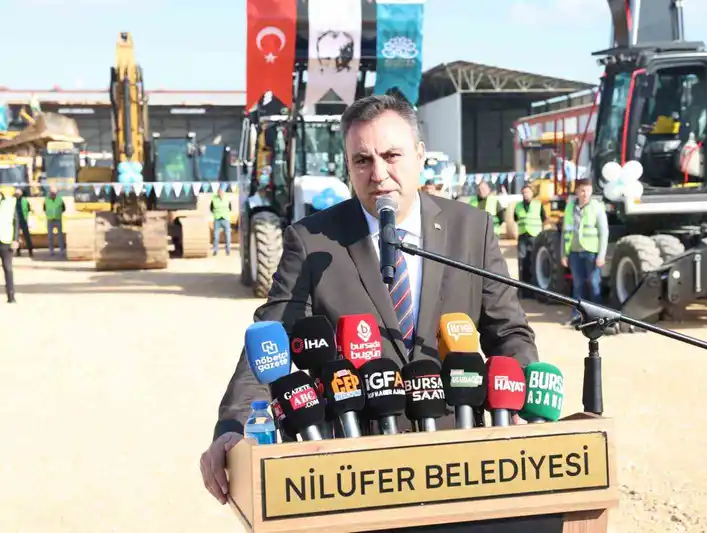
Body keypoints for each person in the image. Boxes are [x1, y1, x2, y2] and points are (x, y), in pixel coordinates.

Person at [200, 94, 539, 504]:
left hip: (456, 457)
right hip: (354, 467)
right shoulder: (311, 241)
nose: (379, 174)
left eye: (391, 155)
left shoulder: (472, 230)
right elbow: (270, 344)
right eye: (362, 160)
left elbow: (509, 333)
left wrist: (526, 406)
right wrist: (234, 426)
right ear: (348, 167)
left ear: (419, 155)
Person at [560, 178, 609, 326]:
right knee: (578, 285)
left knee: (594, 285)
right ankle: (577, 316)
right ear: (576, 191)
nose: (585, 193)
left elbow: (604, 232)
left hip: (591, 253)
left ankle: (597, 318)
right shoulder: (570, 208)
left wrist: (601, 255)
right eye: (582, 190)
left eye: (588, 190)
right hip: (575, 252)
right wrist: (564, 254)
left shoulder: (596, 207)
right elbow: (565, 232)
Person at [513, 183, 545, 298]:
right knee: (523, 264)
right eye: (524, 193)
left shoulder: (538, 205)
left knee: (534, 263)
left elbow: (544, 218)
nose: (525, 194)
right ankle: (524, 291)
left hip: (534, 237)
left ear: (532, 193)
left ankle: (535, 290)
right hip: (523, 237)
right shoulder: (518, 206)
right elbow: (515, 218)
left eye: (527, 192)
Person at [0, 188, 18, 303]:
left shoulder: (10, 202)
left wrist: (15, 239)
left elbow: (16, 221)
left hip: (6, 240)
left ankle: (11, 296)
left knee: (8, 268)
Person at [210, 187, 233, 256]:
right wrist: (215, 214)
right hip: (217, 219)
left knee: (227, 236)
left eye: (221, 192)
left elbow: (230, 208)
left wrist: (227, 214)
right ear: (218, 193)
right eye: (219, 192)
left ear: (223, 193)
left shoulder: (227, 198)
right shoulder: (214, 199)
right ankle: (215, 251)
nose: (220, 193)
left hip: (225, 219)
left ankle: (228, 251)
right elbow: (211, 208)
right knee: (216, 236)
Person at [44, 187, 66, 256]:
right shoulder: (46, 200)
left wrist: (58, 214)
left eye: (54, 193)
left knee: (60, 236)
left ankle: (62, 250)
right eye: (52, 193)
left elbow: (64, 208)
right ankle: (51, 250)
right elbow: (44, 208)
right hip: (50, 220)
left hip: (58, 219)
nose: (53, 194)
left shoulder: (60, 199)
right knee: (50, 236)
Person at [14, 188, 33, 257]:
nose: (17, 195)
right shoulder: (13, 200)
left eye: (18, 193)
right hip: (16, 221)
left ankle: (30, 251)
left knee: (27, 236)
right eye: (16, 193)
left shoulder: (25, 200)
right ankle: (18, 251)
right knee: (16, 237)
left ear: (21, 194)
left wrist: (28, 218)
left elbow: (29, 210)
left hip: (23, 220)